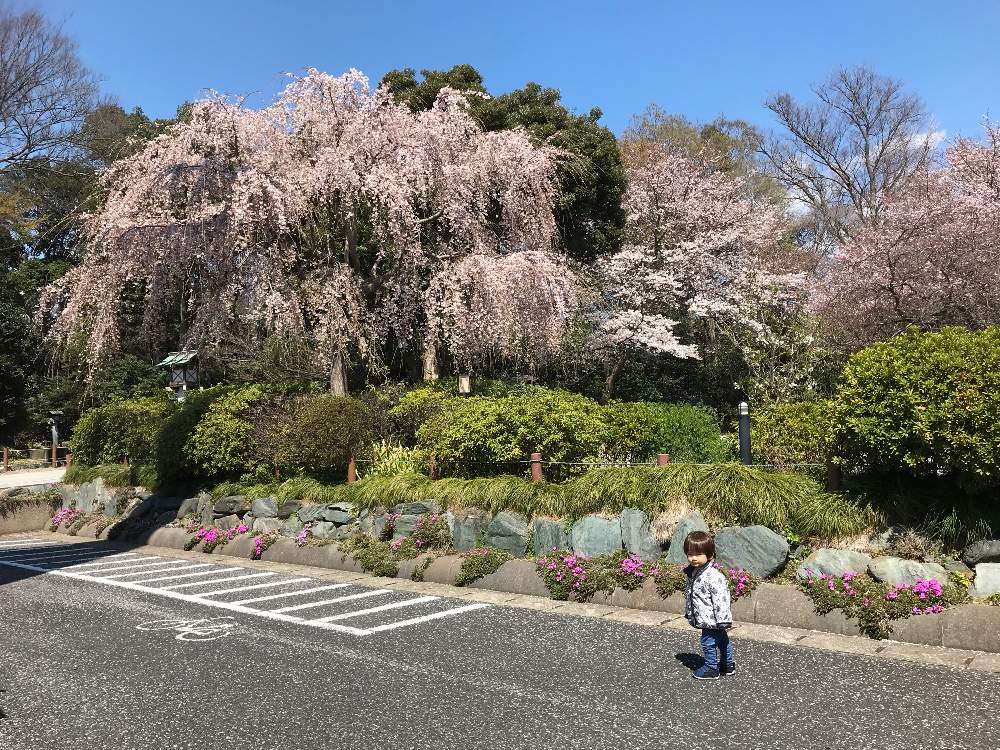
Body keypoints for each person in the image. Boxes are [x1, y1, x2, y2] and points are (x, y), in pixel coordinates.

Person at [683, 530, 734, 680]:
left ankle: (711, 667)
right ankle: (727, 665)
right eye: (690, 554)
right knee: (723, 640)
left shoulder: (713, 576)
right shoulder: (694, 573)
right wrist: (690, 612)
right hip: (705, 616)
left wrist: (723, 620)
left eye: (698, 554)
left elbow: (722, 599)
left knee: (708, 642)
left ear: (710, 555)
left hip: (712, 619)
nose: (693, 558)